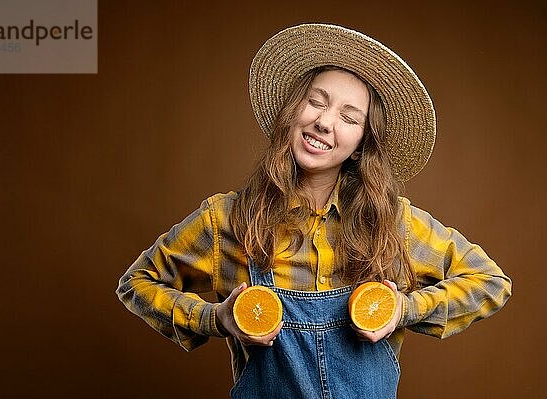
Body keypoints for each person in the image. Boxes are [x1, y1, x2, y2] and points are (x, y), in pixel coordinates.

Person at [116, 23, 512, 398]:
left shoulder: (393, 224)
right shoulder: (228, 220)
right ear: (292, 113)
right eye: (316, 103)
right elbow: (137, 283)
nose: (324, 122)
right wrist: (216, 318)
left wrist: (405, 309)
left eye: (348, 117)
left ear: (360, 144)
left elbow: (490, 282)